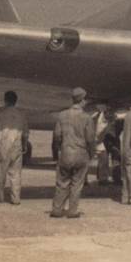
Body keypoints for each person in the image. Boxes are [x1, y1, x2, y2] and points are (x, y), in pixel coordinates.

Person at [50, 87, 96, 218]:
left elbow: (57, 136)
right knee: (77, 183)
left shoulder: (62, 115)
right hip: (81, 153)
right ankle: (72, 211)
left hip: (65, 152)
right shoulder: (87, 118)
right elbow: (90, 139)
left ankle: (57, 210)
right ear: (82, 100)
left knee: (62, 182)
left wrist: (57, 151)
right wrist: (91, 154)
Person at [0, 90, 28, 205]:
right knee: (16, 173)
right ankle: (15, 198)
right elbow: (25, 133)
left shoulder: (1, 114)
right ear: (16, 101)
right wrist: (25, 145)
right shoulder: (22, 115)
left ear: (5, 100)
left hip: (4, 145)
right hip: (17, 145)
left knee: (0, 172)